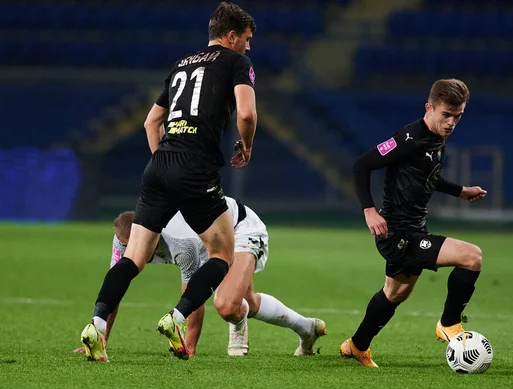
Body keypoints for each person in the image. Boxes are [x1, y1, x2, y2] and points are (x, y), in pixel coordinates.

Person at [80, 2, 258, 362]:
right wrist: (247, 145)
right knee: (222, 253)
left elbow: (150, 122)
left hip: (159, 166)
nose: (249, 47)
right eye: (247, 39)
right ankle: (177, 317)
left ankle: (96, 324)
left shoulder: (182, 64)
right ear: (231, 36)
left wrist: (164, 163)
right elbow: (247, 112)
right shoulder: (236, 63)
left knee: (133, 257)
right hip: (196, 168)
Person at [340, 79, 487, 368]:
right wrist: (369, 210)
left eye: (458, 117)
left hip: (414, 228)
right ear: (429, 108)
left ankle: (356, 346)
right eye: (446, 115)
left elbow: (427, 176)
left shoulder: (436, 138)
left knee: (395, 293)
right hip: (396, 233)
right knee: (472, 257)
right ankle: (449, 324)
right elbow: (361, 164)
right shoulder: (409, 138)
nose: (451, 123)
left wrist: (460, 191)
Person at [75, 198, 326, 357]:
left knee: (227, 305)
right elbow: (114, 291)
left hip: (239, 228)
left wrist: (190, 348)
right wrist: (102, 338)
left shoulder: (179, 243)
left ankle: (238, 324)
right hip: (207, 239)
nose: (131, 253)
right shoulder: (125, 240)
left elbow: (192, 296)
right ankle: (307, 328)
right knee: (247, 301)